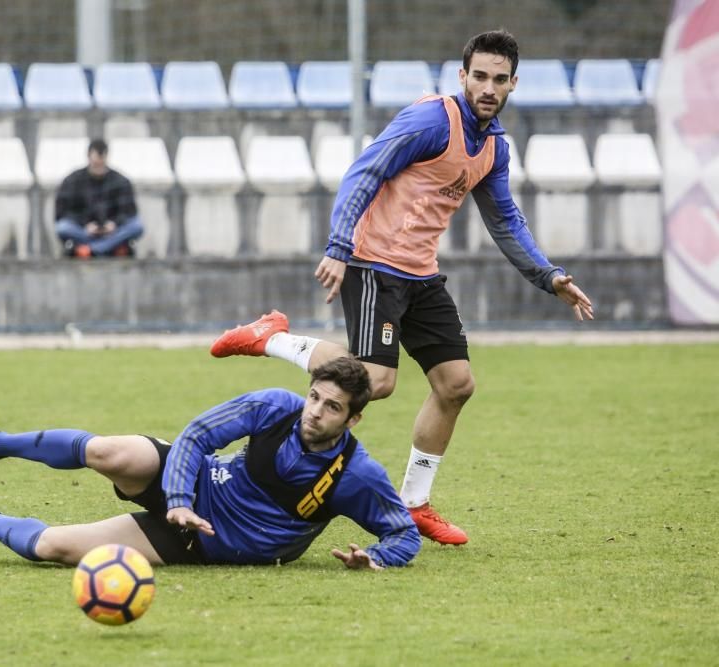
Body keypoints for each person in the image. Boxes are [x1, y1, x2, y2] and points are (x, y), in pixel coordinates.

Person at [209, 30, 594, 546]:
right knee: (376, 380)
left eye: (498, 79)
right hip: (373, 265)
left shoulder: (494, 147)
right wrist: (340, 246)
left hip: (420, 274)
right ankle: (269, 338)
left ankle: (414, 505)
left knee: (456, 384)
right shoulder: (432, 120)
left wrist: (549, 276)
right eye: (478, 76)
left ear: (512, 84)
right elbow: (363, 172)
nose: (487, 86)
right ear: (463, 77)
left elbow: (506, 221)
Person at [0, 357, 420, 570]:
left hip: (208, 544)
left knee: (54, 547)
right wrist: (179, 498)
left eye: (332, 407)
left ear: (352, 419)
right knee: (107, 452)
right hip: (201, 486)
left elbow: (404, 534)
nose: (315, 411)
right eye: (314, 397)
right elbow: (198, 435)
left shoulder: (358, 475)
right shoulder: (274, 406)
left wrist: (374, 558)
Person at [53, 138, 143, 258]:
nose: (98, 167)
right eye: (96, 163)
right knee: (63, 227)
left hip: (112, 232)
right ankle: (106, 249)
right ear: (89, 158)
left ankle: (94, 250)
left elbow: (129, 212)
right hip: (84, 231)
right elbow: (62, 213)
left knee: (137, 226)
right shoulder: (73, 181)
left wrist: (113, 224)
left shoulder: (121, 181)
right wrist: (85, 225)